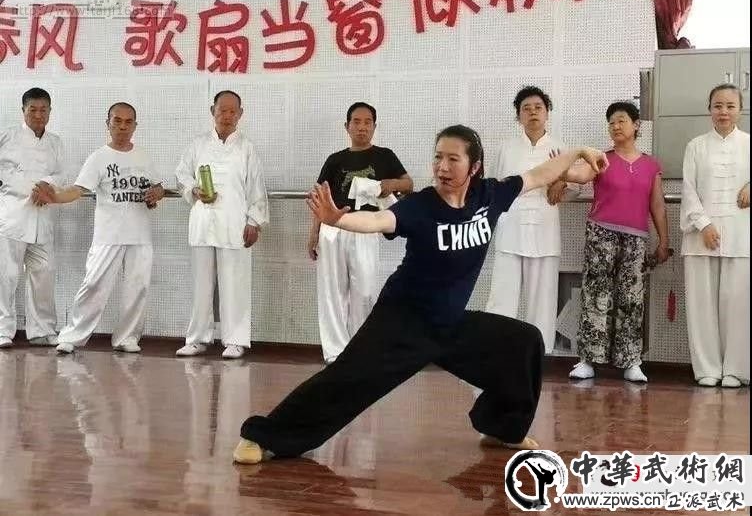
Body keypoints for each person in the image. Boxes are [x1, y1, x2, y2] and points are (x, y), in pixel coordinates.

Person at [232, 124, 607, 464]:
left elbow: (539, 175)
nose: (442, 166)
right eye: (438, 157)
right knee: (345, 380)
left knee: (522, 343)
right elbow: (379, 219)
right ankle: (264, 437)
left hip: (449, 325)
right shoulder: (422, 205)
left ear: (474, 167)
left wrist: (578, 152)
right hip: (402, 321)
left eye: (453, 159)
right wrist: (339, 219)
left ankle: (501, 428)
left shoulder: (490, 195)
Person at [32, 103, 165, 354]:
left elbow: (158, 187)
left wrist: (156, 193)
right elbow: (78, 189)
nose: (123, 127)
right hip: (108, 234)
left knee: (138, 288)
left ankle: (127, 338)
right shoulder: (99, 157)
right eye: (117, 121)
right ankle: (72, 337)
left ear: (135, 126)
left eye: (128, 122)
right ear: (108, 124)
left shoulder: (144, 156)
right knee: (94, 284)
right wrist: (55, 197)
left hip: (140, 234)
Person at [567, 101, 669, 383]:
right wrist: (560, 167)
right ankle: (588, 360)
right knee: (596, 295)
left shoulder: (651, 165)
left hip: (636, 239)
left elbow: (658, 206)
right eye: (611, 122)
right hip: (601, 234)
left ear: (636, 125)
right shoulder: (601, 158)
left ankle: (631, 362)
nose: (615, 126)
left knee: (632, 299)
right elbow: (578, 175)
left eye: (621, 120)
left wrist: (664, 241)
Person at [310, 102, 412, 364]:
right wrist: (313, 233)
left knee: (365, 290)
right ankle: (335, 352)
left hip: (366, 226)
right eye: (356, 122)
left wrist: (390, 183)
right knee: (332, 291)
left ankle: (361, 349)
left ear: (375, 126)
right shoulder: (335, 160)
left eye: (367, 122)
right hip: (333, 228)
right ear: (347, 126)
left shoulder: (385, 156)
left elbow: (408, 184)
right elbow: (321, 198)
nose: (362, 127)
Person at [175, 91, 269, 360]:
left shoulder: (247, 148)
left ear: (240, 113)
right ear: (212, 111)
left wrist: (254, 222)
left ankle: (235, 340)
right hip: (203, 222)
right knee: (200, 285)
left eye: (232, 111)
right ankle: (197, 339)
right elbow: (181, 175)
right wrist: (194, 190)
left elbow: (256, 187)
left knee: (235, 284)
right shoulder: (198, 145)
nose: (227, 116)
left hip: (235, 224)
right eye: (222, 110)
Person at [486, 86, 578, 353]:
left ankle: (540, 357)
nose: (533, 112)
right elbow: (493, 188)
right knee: (502, 299)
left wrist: (561, 184)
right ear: (519, 116)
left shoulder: (561, 148)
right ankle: (495, 354)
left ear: (547, 112)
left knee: (542, 301)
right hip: (510, 229)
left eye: (538, 107)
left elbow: (574, 188)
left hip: (544, 231)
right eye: (526, 108)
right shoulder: (506, 148)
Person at [681, 84, 749, 388]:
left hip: (741, 236)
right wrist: (703, 224)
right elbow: (688, 189)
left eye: (730, 106)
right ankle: (707, 368)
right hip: (701, 237)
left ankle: (736, 369)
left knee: (739, 305)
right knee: (702, 305)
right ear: (709, 109)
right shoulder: (695, 146)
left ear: (740, 110)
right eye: (718, 106)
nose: (723, 111)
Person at [0, 88, 62, 348]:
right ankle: (2, 330)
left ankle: (42, 330)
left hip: (42, 216)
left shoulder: (55, 142)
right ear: (23, 110)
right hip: (12, 215)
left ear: (50, 111)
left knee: (43, 273)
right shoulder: (7, 136)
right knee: (6, 275)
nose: (38, 115)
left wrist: (46, 184)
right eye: (32, 110)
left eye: (43, 110)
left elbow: (60, 174)